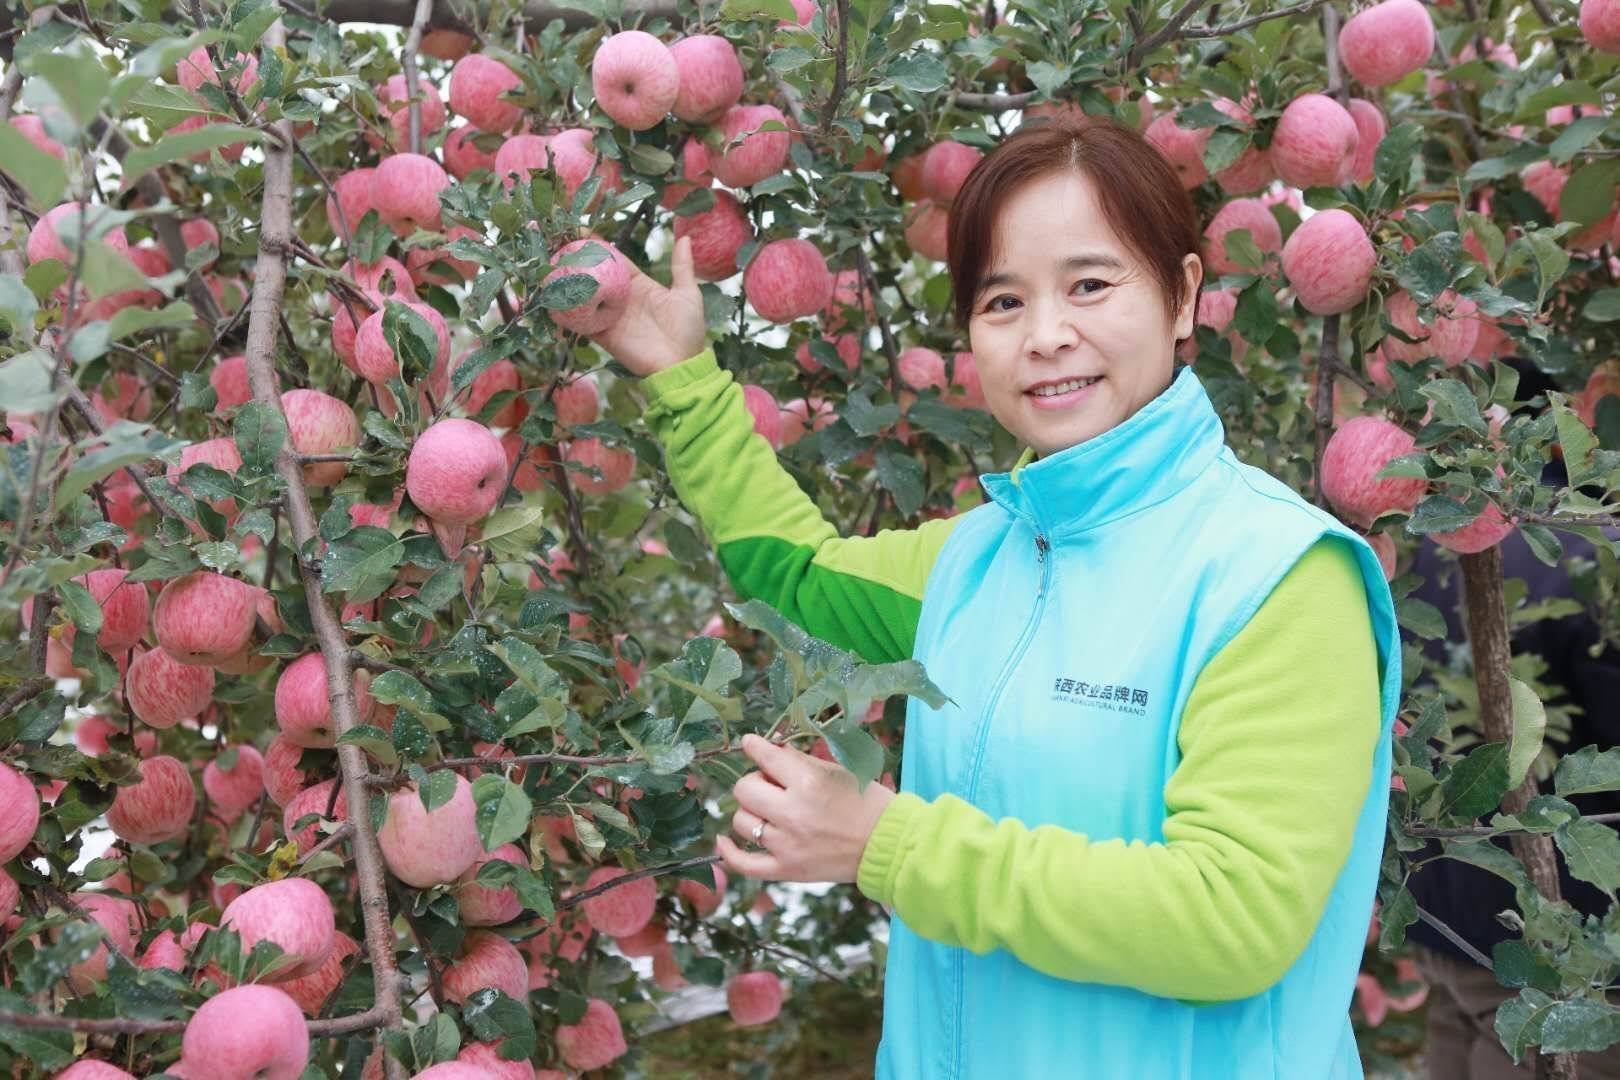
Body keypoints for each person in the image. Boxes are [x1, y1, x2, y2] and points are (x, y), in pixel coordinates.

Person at [585, 116, 1402, 1078]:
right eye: (1003, 299)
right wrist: (686, 380)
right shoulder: (973, 564)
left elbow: (1233, 921)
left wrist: (890, 844)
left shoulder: (1277, 575)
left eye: (1091, 285)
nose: (1047, 335)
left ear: (1182, 295)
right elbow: (798, 572)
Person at [1403, 358, 1620, 1079]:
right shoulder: (1591, 553)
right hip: (1545, 931)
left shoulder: (1418, 544)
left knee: (1453, 1046)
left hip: (1443, 896)